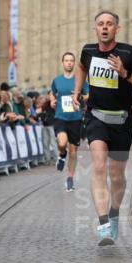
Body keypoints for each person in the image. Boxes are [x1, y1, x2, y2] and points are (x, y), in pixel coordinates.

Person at [72, 10, 132, 246]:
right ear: (95, 29)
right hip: (96, 118)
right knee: (99, 166)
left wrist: (125, 73)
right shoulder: (88, 51)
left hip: (122, 121)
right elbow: (81, 67)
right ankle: (104, 224)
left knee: (117, 176)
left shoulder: (129, 53)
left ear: (117, 29)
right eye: (100, 24)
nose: (105, 27)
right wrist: (78, 90)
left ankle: (115, 212)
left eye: (109, 24)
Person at [49, 52, 88, 192]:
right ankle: (61, 154)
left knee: (73, 152)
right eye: (66, 60)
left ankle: (70, 178)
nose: (69, 63)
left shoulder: (80, 80)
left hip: (75, 119)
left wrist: (80, 97)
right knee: (62, 143)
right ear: (63, 63)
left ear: (74, 63)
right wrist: (53, 100)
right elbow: (52, 92)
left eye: (71, 60)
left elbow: (88, 94)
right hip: (60, 117)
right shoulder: (57, 80)